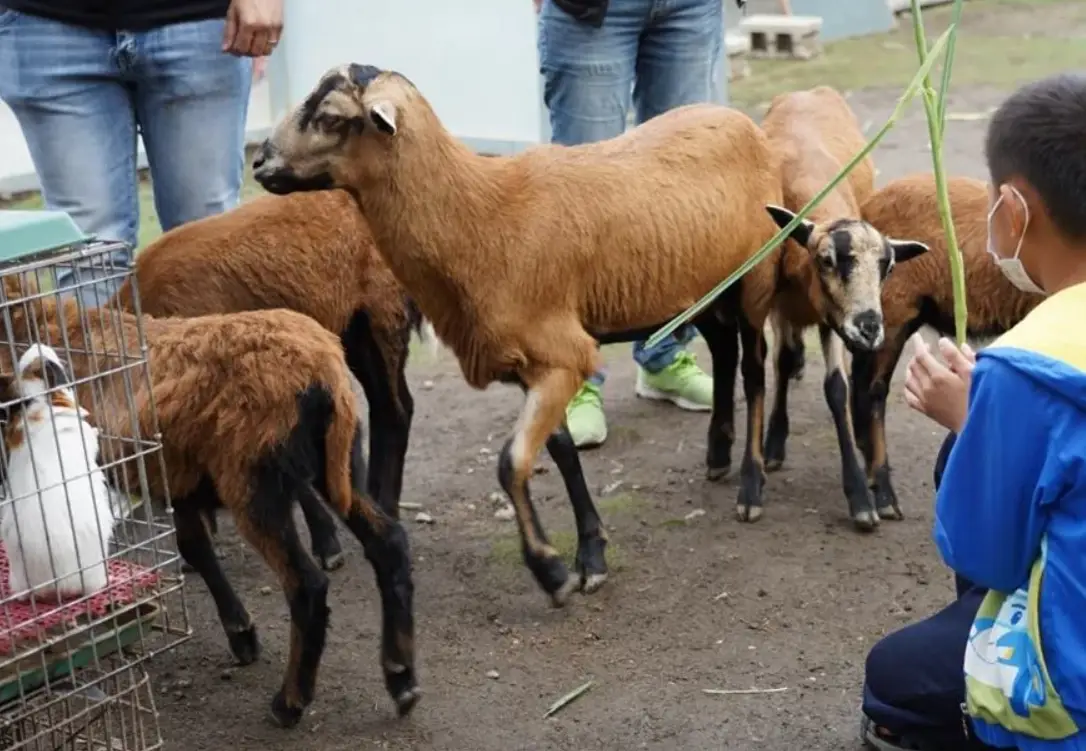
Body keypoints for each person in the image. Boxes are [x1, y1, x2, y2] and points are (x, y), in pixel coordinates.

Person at [860, 71, 1086, 751]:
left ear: (1013, 211)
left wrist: (974, 424)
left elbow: (988, 555)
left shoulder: (1028, 362)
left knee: (891, 679)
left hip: (1071, 689)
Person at [536, 0, 737, 448]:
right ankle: (576, 375)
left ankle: (664, 356)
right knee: (583, 202)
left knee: (683, 200)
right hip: (590, 13)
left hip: (690, 9)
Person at [0, 0, 282, 307]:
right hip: (47, 26)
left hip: (200, 23)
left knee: (206, 242)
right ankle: (103, 357)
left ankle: (210, 355)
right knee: (88, 253)